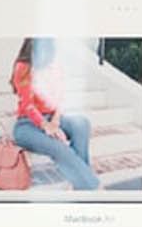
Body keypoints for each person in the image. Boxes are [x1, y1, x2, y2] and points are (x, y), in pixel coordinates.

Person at [9, 38, 100, 190]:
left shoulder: (54, 66)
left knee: (81, 123)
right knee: (59, 147)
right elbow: (28, 105)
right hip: (27, 124)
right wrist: (46, 126)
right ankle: (91, 187)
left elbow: (59, 98)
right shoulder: (23, 67)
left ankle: (81, 181)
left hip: (51, 117)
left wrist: (56, 121)